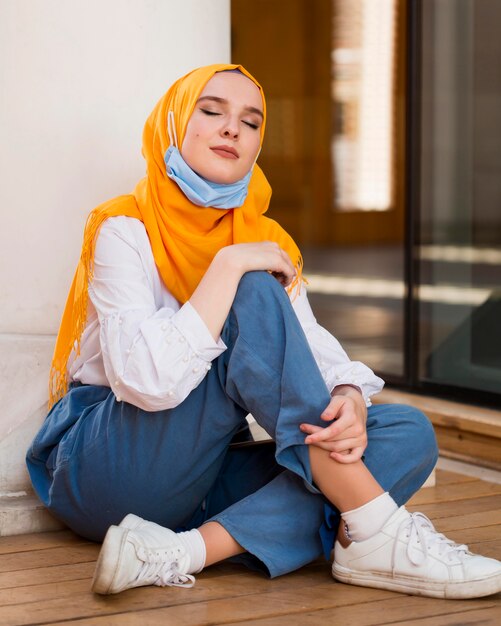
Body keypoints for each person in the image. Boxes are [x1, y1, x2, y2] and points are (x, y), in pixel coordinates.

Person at [26, 64, 501, 600]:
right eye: (211, 112)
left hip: (205, 477)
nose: (232, 129)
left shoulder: (267, 240)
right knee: (251, 289)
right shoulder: (124, 229)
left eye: (250, 122)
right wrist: (227, 269)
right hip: (111, 469)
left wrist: (347, 396)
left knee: (407, 433)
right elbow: (146, 383)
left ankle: (180, 551)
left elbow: (310, 351)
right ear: (173, 123)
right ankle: (375, 529)